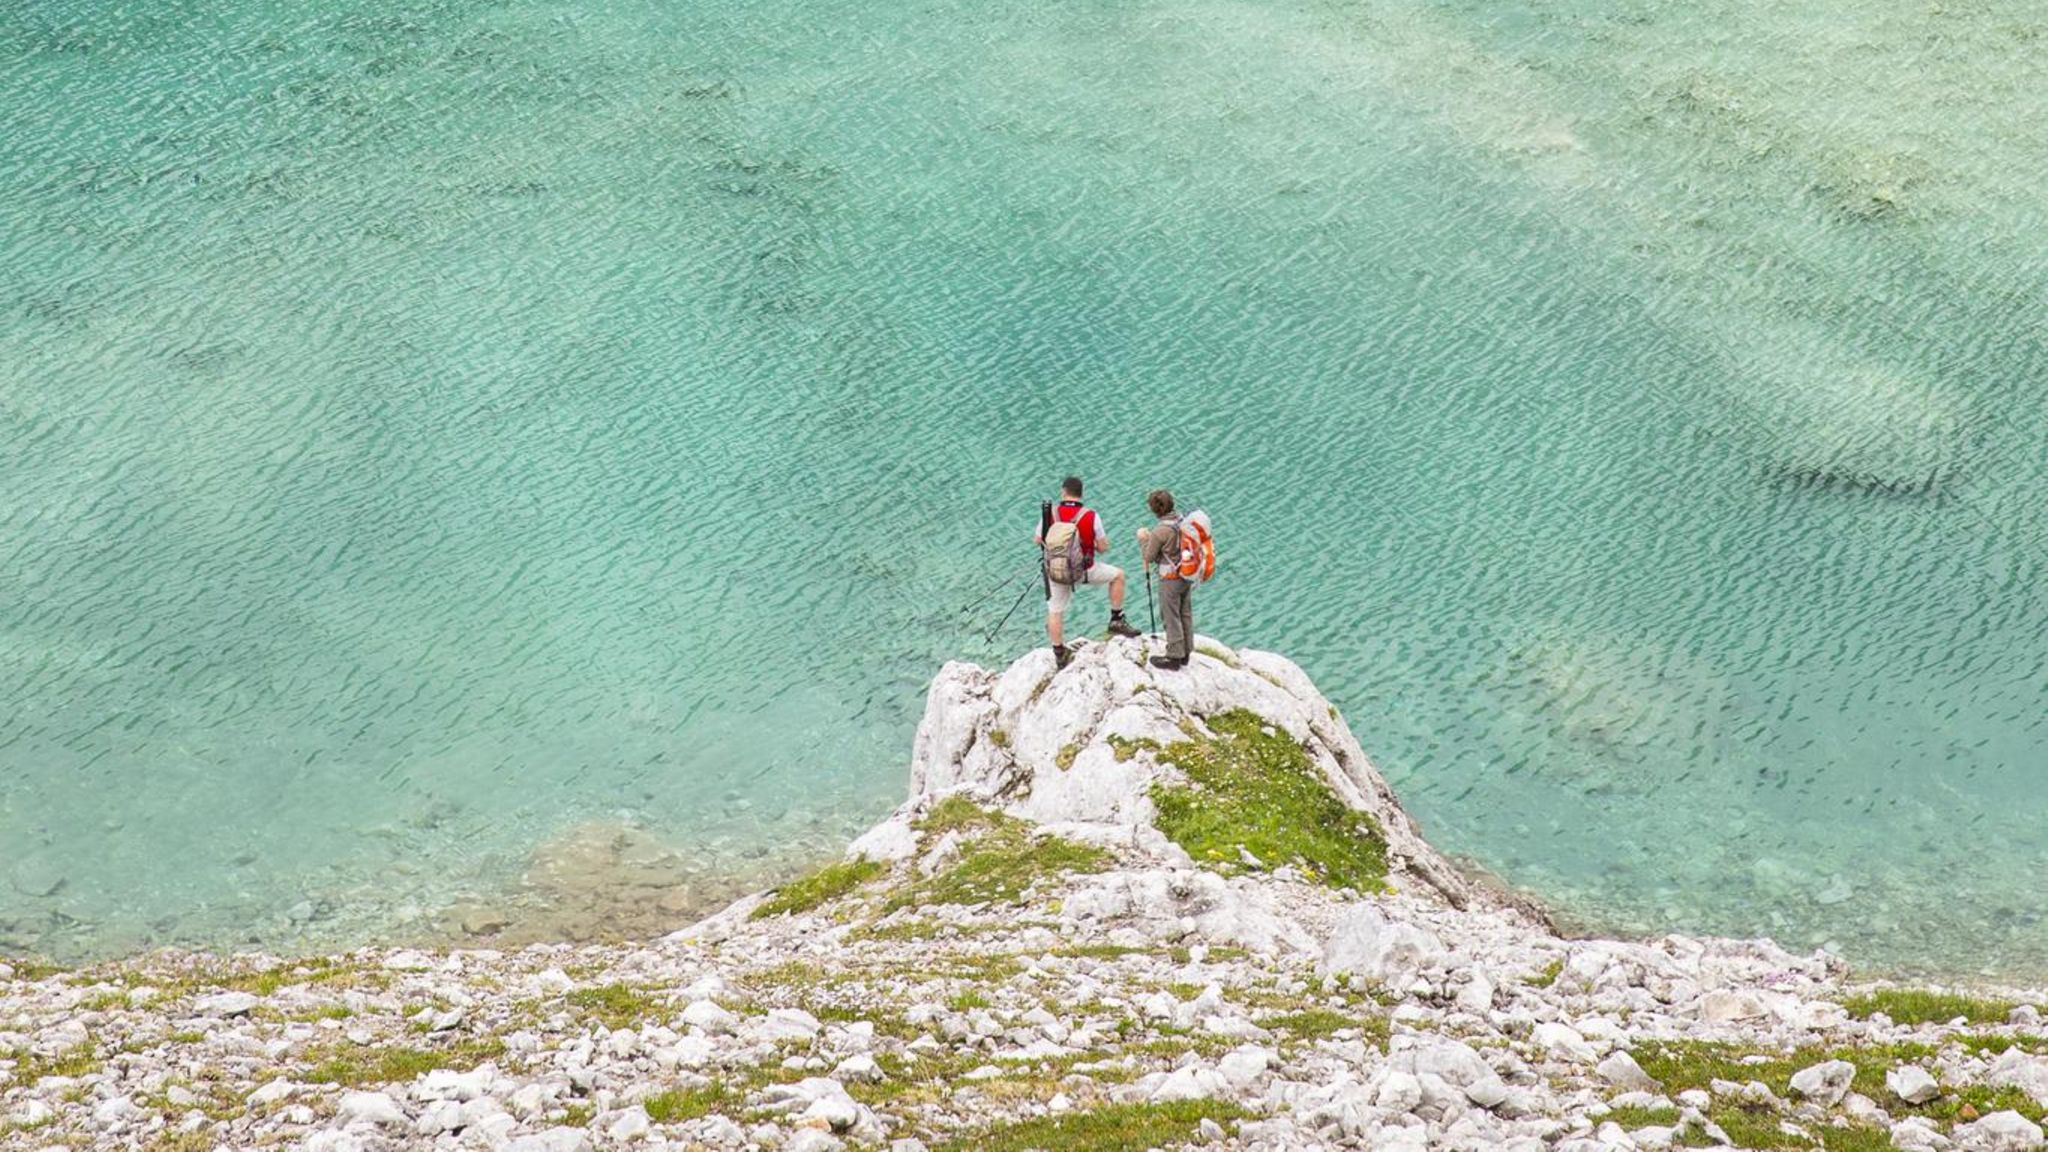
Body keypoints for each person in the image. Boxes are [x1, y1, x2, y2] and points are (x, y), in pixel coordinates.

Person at [1037, 476, 1139, 668]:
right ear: (1081, 494)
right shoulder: (1091, 515)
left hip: (1056, 572)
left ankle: (1059, 653)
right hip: (1084, 570)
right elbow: (1103, 547)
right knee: (1118, 575)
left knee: (1055, 610)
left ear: (1063, 491)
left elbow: (1037, 539)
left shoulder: (1050, 513)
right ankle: (1116, 619)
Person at [1137, 488, 1193, 670]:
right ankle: (1186, 651)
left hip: (1170, 578)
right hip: (1186, 573)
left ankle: (1174, 656)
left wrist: (1144, 539)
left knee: (1170, 615)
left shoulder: (1160, 531)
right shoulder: (1182, 521)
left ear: (1155, 509)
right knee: (1184, 612)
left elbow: (1149, 556)